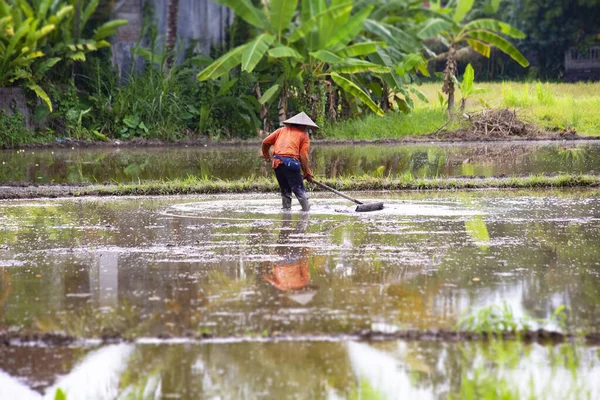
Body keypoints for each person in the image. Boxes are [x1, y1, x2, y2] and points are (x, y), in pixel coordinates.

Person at [261, 112, 318, 211]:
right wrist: (307, 173)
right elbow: (303, 156)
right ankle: (306, 211)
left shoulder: (280, 131)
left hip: (277, 163)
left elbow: (265, 142)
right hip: (291, 163)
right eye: (306, 127)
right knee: (299, 189)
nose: (306, 129)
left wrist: (267, 156)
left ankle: (286, 211)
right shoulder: (303, 136)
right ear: (302, 126)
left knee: (285, 190)